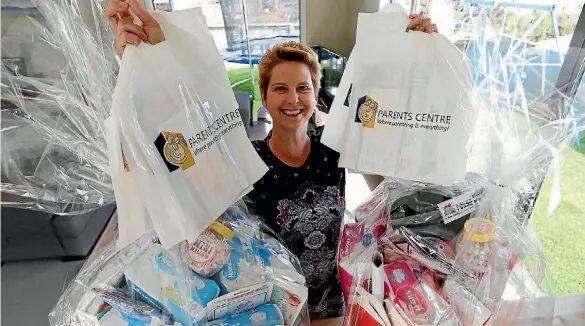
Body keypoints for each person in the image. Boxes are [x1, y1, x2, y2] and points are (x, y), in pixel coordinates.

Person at [105, 0, 437, 324]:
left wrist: (410, 51)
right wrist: (146, 59)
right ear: (264, 97)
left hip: (333, 300)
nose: (293, 99)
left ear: (314, 94)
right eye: (280, 88)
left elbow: (393, 122)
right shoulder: (247, 159)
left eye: (302, 88)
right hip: (275, 307)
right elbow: (185, 126)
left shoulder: (334, 148)